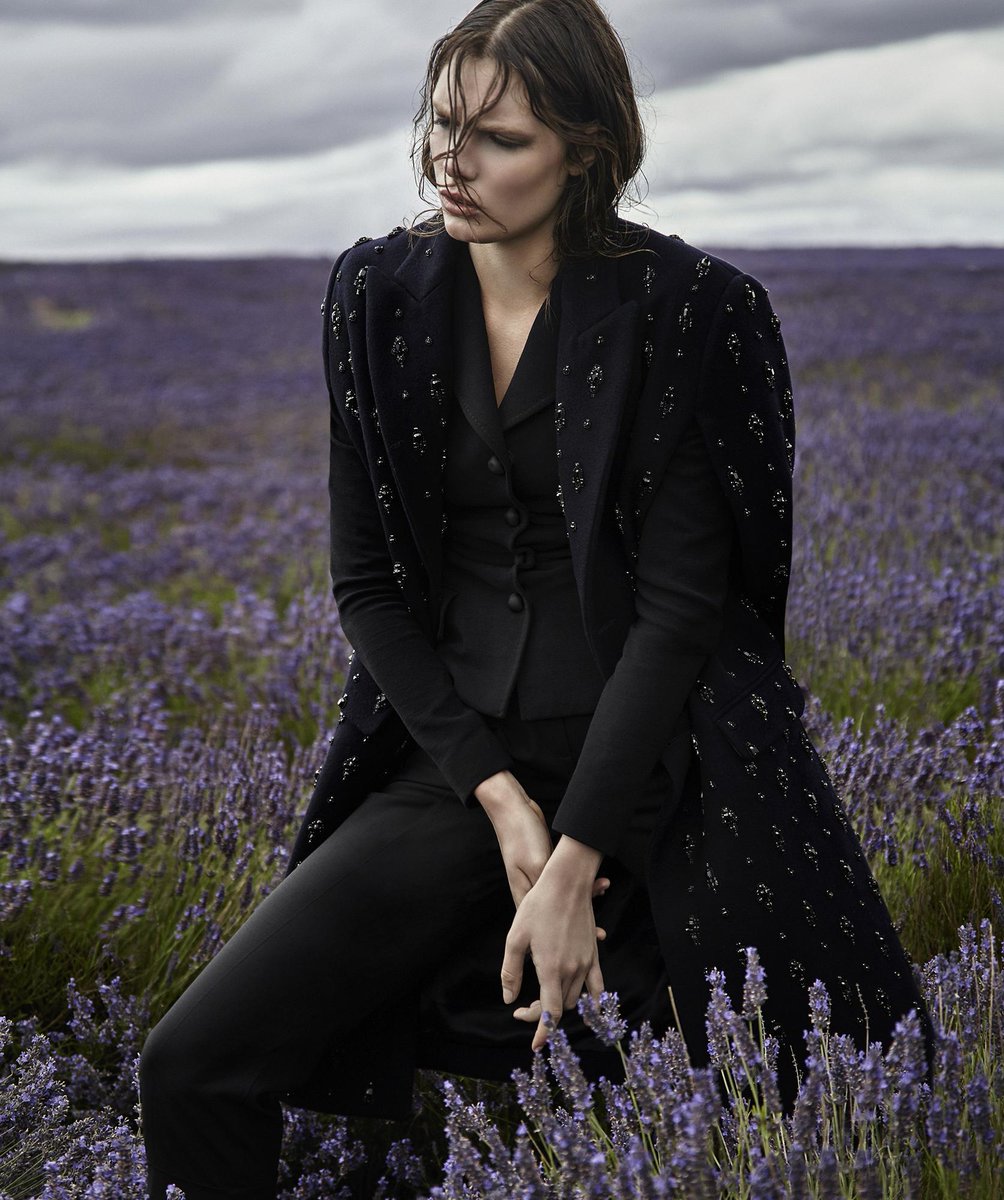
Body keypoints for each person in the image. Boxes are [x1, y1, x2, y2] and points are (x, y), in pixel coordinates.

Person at [139, 1, 931, 1195]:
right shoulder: (376, 295)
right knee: (191, 1063)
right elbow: (365, 585)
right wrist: (502, 805)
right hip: (456, 756)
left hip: (666, 760)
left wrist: (572, 863)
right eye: (441, 126)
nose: (452, 165)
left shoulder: (690, 309)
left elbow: (682, 615)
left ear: (587, 148)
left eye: (497, 139)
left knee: (776, 1098)